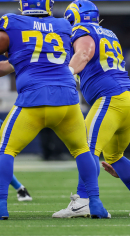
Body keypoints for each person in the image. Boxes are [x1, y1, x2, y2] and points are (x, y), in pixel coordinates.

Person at [0, 0, 109, 219]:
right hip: (67, 100)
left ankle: (1, 204)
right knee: (82, 150)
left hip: (34, 100)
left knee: (5, 150)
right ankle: (95, 203)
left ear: (23, 5)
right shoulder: (62, 25)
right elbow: (33, 58)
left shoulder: (12, 22)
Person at [52, 0, 130, 218]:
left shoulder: (83, 30)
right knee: (115, 155)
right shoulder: (109, 33)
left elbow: (84, 54)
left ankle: (82, 201)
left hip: (111, 98)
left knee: (85, 149)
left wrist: (66, 74)